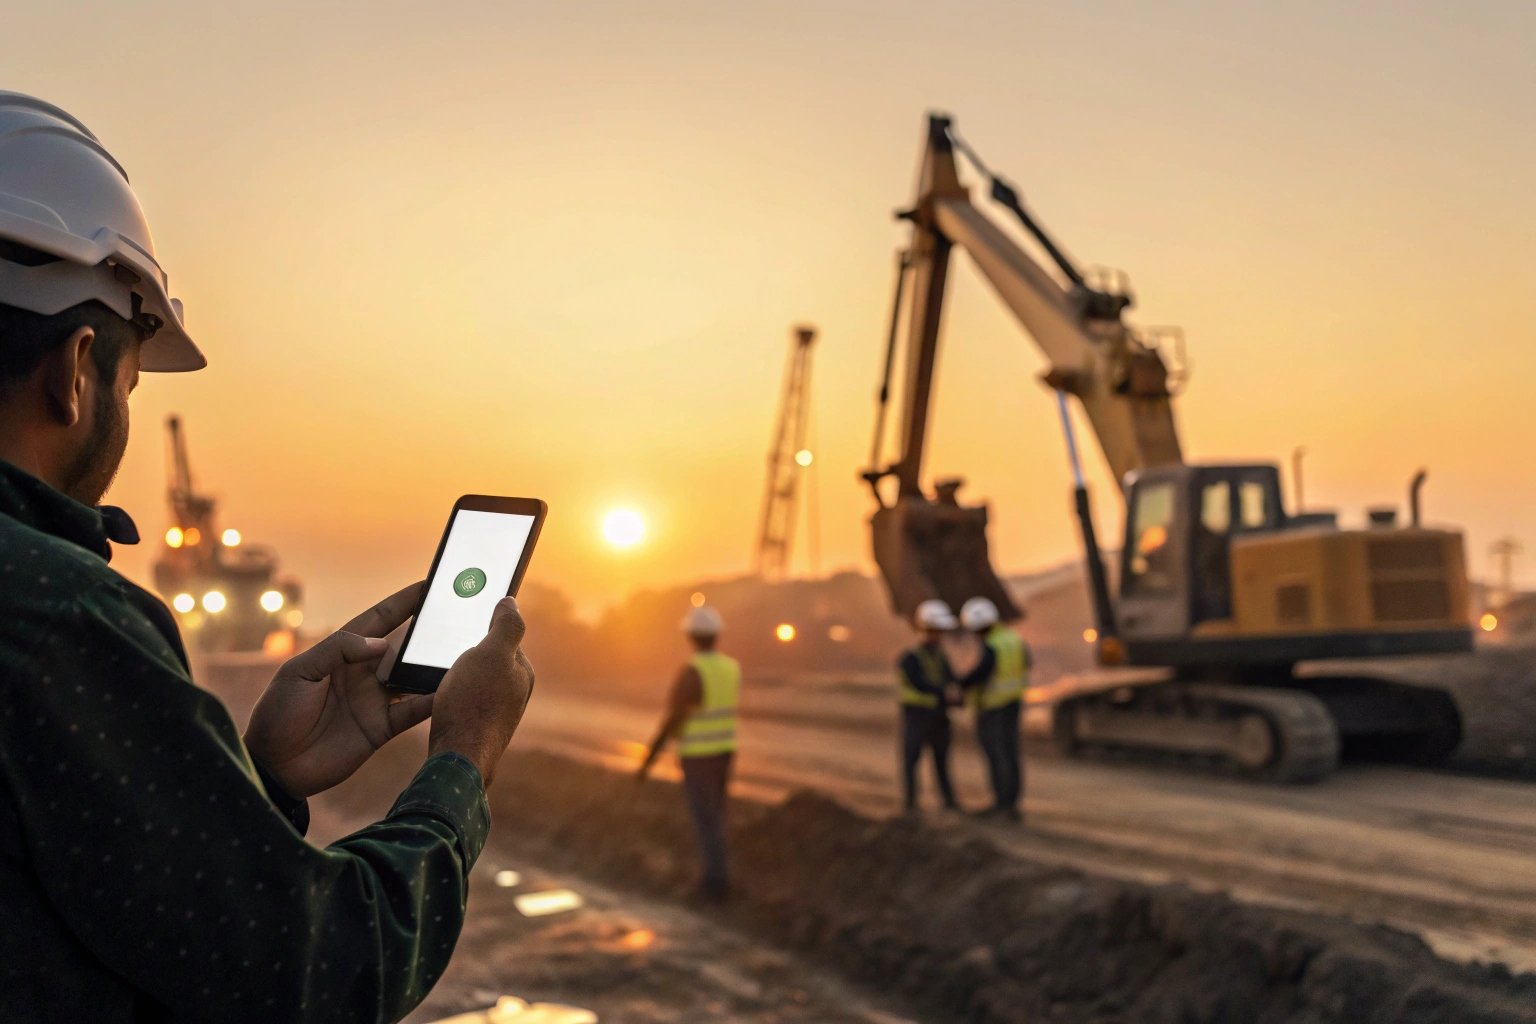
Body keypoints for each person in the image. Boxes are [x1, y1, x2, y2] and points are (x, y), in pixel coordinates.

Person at [0, 92, 536, 1023]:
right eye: (131, 379)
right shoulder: (51, 610)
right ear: (76, 369)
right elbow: (317, 970)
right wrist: (465, 755)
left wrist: (260, 781)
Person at [636, 604, 741, 901]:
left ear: (691, 636)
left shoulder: (693, 672)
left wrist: (649, 760)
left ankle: (715, 883)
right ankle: (718, 874)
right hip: (725, 752)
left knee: (706, 819)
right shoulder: (730, 668)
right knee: (716, 816)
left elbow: (674, 718)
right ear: (717, 635)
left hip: (698, 756)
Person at [958, 596, 1031, 822]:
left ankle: (1002, 804)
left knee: (997, 755)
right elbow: (1027, 663)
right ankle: (1011, 804)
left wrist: (958, 685)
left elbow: (980, 674)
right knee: (1010, 753)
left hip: (994, 707)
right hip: (1013, 703)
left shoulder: (992, 645)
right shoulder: (1014, 639)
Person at [897, 599, 961, 813]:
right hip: (916, 717)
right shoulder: (910, 658)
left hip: (938, 717)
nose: (940, 636)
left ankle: (949, 803)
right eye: (936, 631)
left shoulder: (941, 657)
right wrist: (944, 693)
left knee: (942, 762)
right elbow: (918, 683)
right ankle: (910, 805)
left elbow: (951, 680)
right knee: (911, 761)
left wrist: (957, 695)